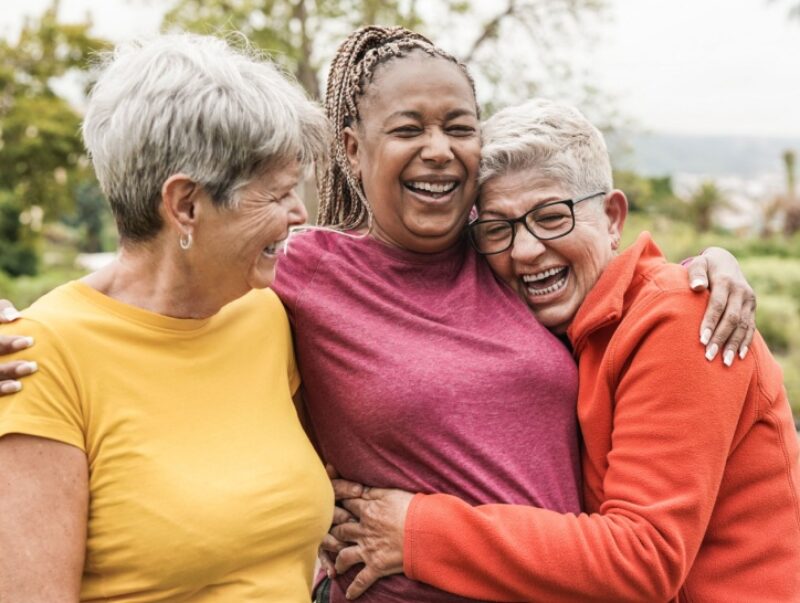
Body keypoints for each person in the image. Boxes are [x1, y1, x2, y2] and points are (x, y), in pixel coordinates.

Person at [0, 26, 758, 603]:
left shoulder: (502, 252)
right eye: (408, 130)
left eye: (459, 127)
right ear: (352, 149)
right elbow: (154, 282)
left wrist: (706, 267)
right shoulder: (295, 277)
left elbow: (609, 274)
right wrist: (29, 323)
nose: (439, 150)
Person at [322, 99, 800, 603]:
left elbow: (644, 559)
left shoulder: (682, 319)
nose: (525, 250)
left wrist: (417, 531)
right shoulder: (554, 325)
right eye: (499, 229)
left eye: (552, 217)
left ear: (613, 217)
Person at [0, 34, 334, 601]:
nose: (299, 214)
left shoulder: (267, 314)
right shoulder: (36, 357)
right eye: (277, 195)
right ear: (185, 205)